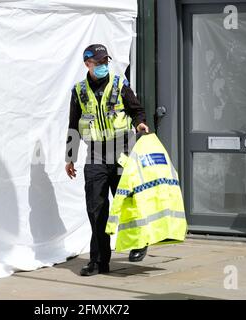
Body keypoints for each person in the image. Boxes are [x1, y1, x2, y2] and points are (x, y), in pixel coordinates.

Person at [65, 44, 149, 276]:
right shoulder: (79, 91)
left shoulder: (120, 84)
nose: (103, 66)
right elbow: (73, 125)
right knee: (96, 208)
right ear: (87, 64)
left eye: (105, 62)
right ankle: (98, 261)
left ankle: (139, 242)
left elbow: (136, 110)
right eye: (98, 63)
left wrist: (140, 123)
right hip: (96, 153)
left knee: (128, 201)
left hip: (122, 148)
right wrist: (70, 157)